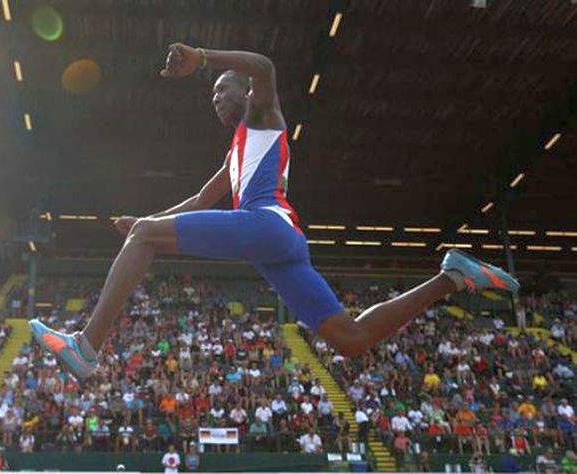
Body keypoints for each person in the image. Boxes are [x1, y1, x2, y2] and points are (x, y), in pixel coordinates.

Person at [27, 43, 520, 379]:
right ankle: (452, 278)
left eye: (223, 89)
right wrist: (143, 224)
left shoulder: (265, 117)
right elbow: (201, 201)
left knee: (148, 239)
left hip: (268, 225)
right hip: (278, 247)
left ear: (247, 94)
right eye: (212, 92)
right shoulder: (236, 152)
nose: (216, 98)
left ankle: (86, 348)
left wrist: (202, 57)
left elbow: (262, 64)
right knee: (350, 339)